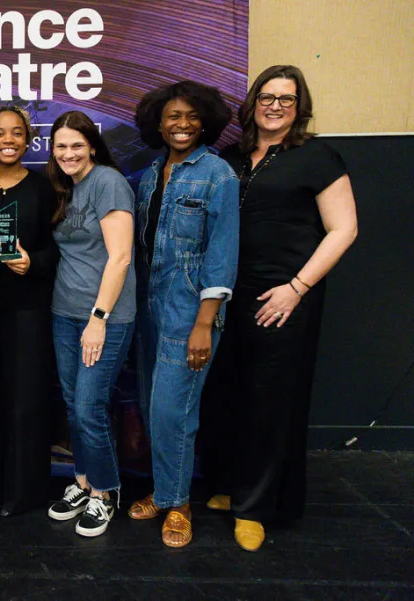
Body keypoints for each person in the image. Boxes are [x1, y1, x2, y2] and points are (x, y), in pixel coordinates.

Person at [200, 65, 358, 552]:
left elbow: (344, 229)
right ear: (253, 103)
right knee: (230, 395)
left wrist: (297, 287)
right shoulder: (232, 157)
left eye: (286, 100)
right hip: (231, 295)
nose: (275, 106)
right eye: (267, 97)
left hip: (284, 296)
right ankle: (234, 487)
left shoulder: (317, 157)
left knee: (271, 402)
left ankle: (257, 508)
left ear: (299, 106)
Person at [127, 81, 239, 548]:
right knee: (155, 409)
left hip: (189, 310)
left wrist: (203, 324)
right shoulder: (152, 174)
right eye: (174, 116)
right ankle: (164, 489)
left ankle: (179, 505)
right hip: (148, 308)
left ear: (206, 122)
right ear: (158, 122)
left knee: (176, 411)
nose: (183, 124)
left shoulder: (218, 175)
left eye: (193, 117)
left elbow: (223, 252)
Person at [45, 111, 136, 538]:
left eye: (76, 145)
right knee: (72, 403)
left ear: (93, 146)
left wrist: (98, 319)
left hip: (105, 317)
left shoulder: (108, 183)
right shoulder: (68, 187)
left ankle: (105, 492)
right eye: (60, 146)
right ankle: (82, 481)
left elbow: (120, 257)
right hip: (64, 311)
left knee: (89, 406)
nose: (68, 153)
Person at [0, 105, 58, 517]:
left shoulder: (44, 188)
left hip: (29, 309)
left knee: (27, 399)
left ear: (28, 139)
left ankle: (25, 493)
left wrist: (33, 262)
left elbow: (61, 249)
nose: (8, 140)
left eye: (16, 133)